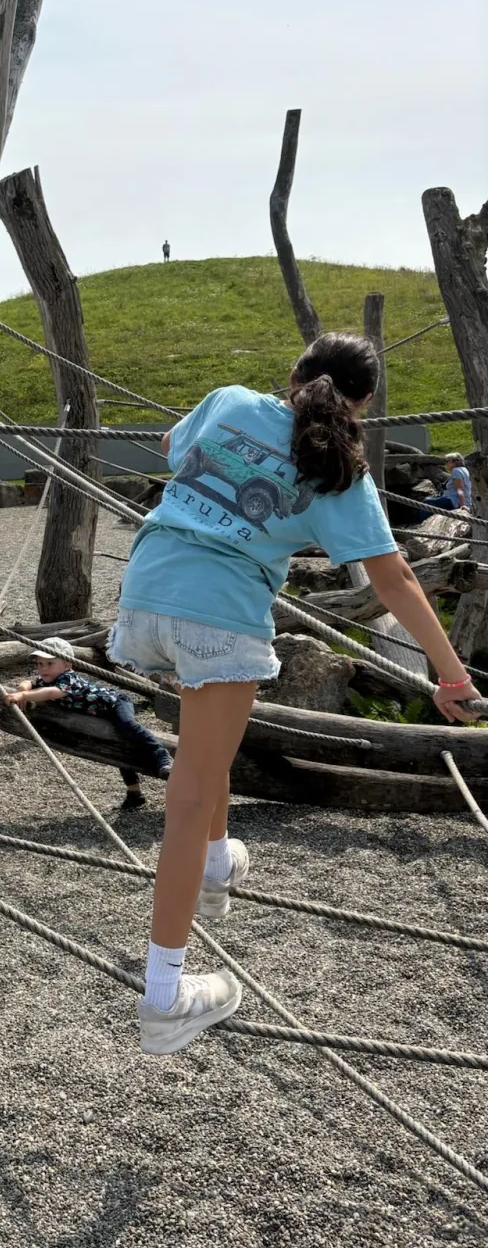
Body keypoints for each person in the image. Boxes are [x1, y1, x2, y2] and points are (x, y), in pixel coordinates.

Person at [106, 333, 481, 1056]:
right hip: (220, 614)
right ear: (366, 405)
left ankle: (217, 862)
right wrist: (451, 675)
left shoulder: (230, 402)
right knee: (190, 791)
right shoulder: (341, 475)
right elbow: (395, 579)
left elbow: (170, 447)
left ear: (294, 374)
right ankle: (165, 1000)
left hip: (145, 593)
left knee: (207, 753)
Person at [4, 635, 173, 806]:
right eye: (40, 664)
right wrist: (24, 686)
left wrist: (24, 695)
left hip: (115, 703)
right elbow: (32, 682)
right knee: (120, 744)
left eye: (49, 664)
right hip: (101, 713)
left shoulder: (67, 678)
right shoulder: (49, 678)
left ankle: (161, 753)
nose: (43, 669)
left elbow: (52, 693)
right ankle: (134, 793)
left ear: (67, 665)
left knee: (128, 726)